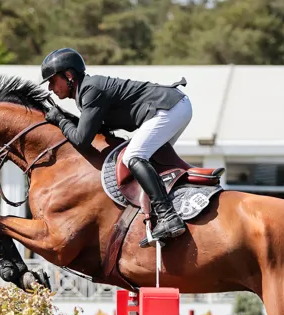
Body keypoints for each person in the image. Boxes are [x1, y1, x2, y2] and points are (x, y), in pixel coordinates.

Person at [40, 47, 188, 247]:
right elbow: (92, 129)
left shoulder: (90, 90)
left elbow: (82, 140)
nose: (50, 88)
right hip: (173, 106)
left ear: (68, 75)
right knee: (150, 163)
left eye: (51, 80)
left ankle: (168, 216)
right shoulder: (86, 92)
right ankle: (170, 212)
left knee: (133, 157)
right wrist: (65, 119)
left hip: (168, 108)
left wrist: (59, 119)